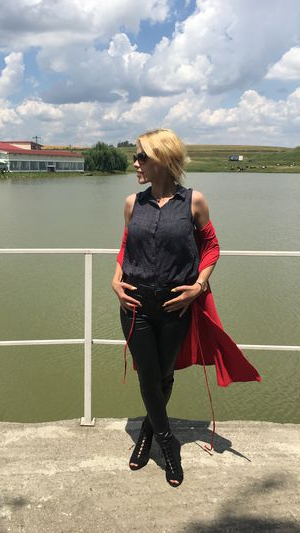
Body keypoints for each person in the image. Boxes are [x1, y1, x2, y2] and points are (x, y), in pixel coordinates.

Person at [111, 128, 260, 488]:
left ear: (163, 159)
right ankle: (168, 444)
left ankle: (148, 431)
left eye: (141, 156)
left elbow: (211, 247)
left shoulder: (194, 202)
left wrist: (198, 286)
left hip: (176, 306)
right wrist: (115, 280)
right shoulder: (133, 203)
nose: (135, 163)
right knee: (149, 377)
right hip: (135, 304)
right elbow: (127, 245)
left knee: (164, 376)